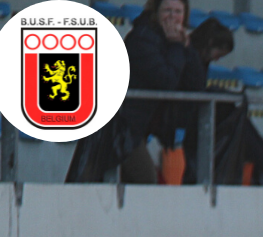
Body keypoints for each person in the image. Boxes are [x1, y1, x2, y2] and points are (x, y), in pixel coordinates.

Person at [66, 0, 203, 183]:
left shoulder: (174, 43)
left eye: (178, 11)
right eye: (167, 10)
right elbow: (166, 81)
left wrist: (187, 49)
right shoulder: (142, 38)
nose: (172, 17)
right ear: (156, 12)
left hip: (136, 127)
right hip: (118, 125)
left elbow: (196, 84)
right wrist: (177, 47)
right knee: (145, 177)